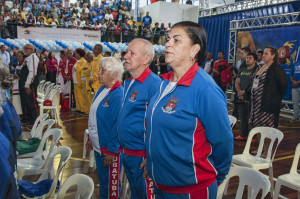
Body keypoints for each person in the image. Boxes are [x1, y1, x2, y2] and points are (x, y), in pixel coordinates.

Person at [144, 21, 233, 198]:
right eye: (168, 39)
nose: (168, 43)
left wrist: (217, 175)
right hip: (161, 183)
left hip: (191, 190)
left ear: (194, 50)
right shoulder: (163, 84)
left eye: (176, 40)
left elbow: (223, 141)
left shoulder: (205, 89)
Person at [117, 38, 161, 199]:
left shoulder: (155, 84)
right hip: (128, 151)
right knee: (135, 194)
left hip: (141, 156)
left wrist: (150, 157)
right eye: (126, 52)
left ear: (146, 59)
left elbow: (157, 125)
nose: (126, 56)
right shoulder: (130, 82)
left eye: (132, 53)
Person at [86, 56, 124, 199]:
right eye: (99, 69)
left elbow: (117, 126)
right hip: (98, 147)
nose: (98, 73)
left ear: (114, 74)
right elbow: (94, 118)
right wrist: (90, 137)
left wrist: (112, 151)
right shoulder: (101, 90)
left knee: (111, 188)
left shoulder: (118, 94)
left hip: (109, 150)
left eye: (102, 70)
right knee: (103, 183)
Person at [250, 46, 288, 129]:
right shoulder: (259, 67)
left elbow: (284, 84)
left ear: (273, 55)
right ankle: (258, 141)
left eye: (266, 54)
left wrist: (274, 96)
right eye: (263, 53)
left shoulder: (276, 68)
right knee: (256, 128)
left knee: (266, 129)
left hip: (268, 105)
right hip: (255, 105)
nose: (263, 55)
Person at [234, 53, 257, 141]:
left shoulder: (256, 70)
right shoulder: (242, 69)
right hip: (240, 96)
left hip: (251, 97)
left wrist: (245, 92)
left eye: (250, 58)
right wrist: (239, 92)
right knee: (243, 117)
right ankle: (243, 135)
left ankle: (252, 137)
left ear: (255, 60)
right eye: (247, 58)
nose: (247, 59)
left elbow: (255, 84)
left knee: (252, 118)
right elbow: (237, 82)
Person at [19, 44, 39, 128]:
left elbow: (32, 72)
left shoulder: (33, 57)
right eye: (24, 48)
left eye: (26, 48)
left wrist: (27, 85)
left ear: (31, 49)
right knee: (28, 103)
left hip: (31, 85)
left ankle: (36, 122)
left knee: (32, 104)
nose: (24, 50)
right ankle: (31, 120)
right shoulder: (28, 58)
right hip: (28, 84)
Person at [73, 48, 87, 114]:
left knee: (81, 96)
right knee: (77, 95)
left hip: (79, 81)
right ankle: (78, 107)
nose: (75, 54)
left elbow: (81, 70)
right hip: (75, 81)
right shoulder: (78, 61)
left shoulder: (83, 61)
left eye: (76, 53)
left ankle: (83, 109)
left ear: (79, 54)